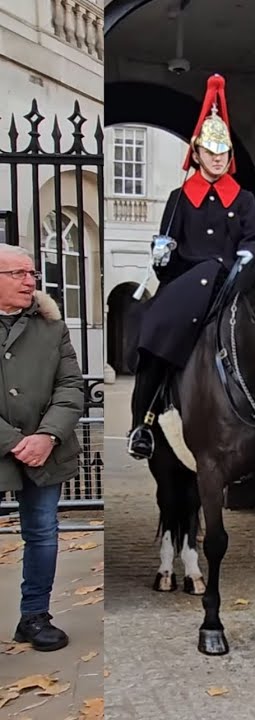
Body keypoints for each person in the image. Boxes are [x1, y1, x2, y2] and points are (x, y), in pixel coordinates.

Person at [125, 72, 255, 460]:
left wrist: (250, 254)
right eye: (210, 152)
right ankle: (143, 423)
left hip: (237, 282)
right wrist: (162, 251)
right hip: (189, 283)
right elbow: (168, 244)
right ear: (197, 153)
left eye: (223, 153)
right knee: (155, 334)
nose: (217, 159)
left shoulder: (245, 199)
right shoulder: (179, 198)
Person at [0, 245, 84, 651]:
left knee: (42, 534)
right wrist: (14, 442)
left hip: (45, 449)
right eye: (17, 273)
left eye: (31, 273)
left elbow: (71, 386)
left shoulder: (51, 325)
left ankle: (34, 617)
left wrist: (48, 435)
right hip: (9, 446)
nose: (30, 281)